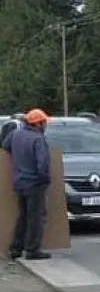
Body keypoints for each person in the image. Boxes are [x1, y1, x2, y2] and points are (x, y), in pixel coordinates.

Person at [3, 108, 51, 261]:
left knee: (22, 216)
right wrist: (45, 179)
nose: (46, 125)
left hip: (19, 182)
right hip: (35, 183)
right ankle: (32, 250)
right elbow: (42, 163)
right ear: (38, 124)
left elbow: (5, 145)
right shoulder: (38, 139)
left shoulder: (16, 135)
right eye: (44, 123)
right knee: (35, 218)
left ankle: (15, 248)